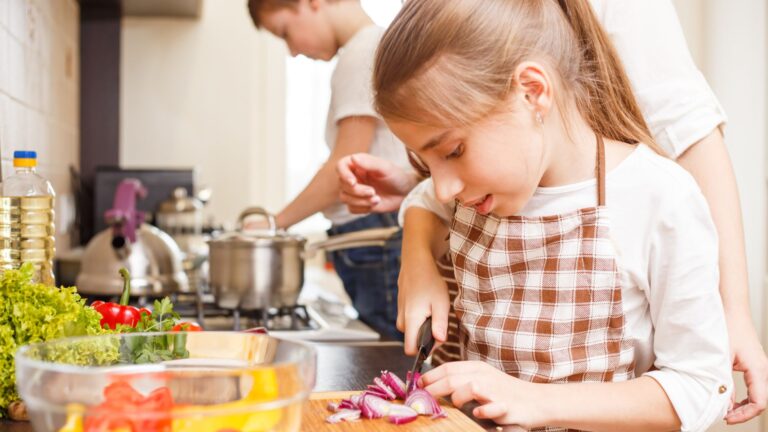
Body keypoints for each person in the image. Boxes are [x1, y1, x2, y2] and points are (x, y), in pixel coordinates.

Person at [337, 0, 768, 425]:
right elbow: (425, 200)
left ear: (533, 92)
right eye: (427, 162)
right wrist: (417, 259)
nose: (444, 184)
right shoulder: (483, 183)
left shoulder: (658, 197)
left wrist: (532, 400)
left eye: (453, 150)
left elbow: (700, 386)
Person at [246, 0, 413, 340]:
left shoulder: (362, 52)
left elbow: (345, 166)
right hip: (372, 236)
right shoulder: (370, 48)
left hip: (375, 235)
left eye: (284, 33)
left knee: (391, 360)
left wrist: (273, 224)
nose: (292, 51)